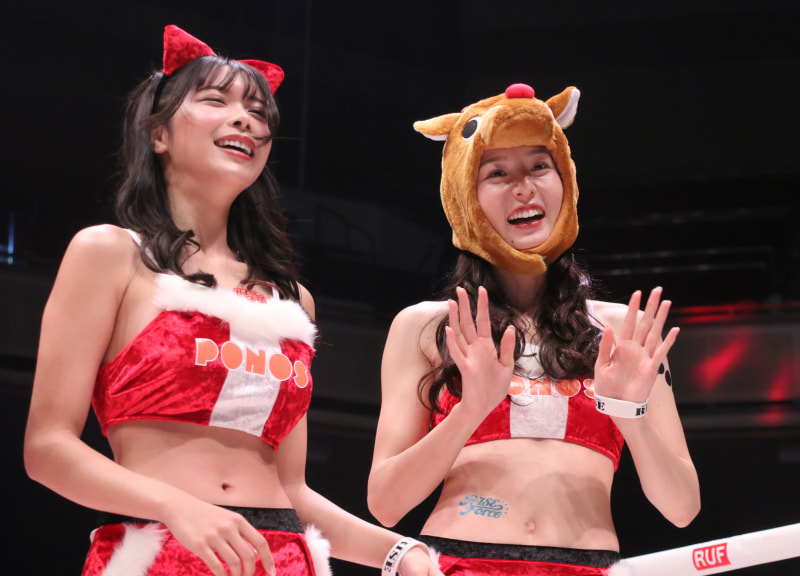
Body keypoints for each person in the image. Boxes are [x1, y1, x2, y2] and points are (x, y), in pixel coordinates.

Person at [23, 24, 442, 576]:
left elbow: (293, 490)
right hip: (158, 554)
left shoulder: (291, 300)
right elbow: (47, 449)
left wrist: (400, 552)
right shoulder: (110, 253)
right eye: (216, 101)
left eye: (257, 111)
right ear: (159, 135)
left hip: (282, 560)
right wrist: (177, 506)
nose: (245, 119)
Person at [367, 83, 701, 575]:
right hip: (460, 563)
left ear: (566, 180)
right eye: (497, 173)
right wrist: (471, 410)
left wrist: (629, 413)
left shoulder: (621, 330)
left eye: (539, 166)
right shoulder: (426, 326)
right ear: (464, 196)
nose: (523, 187)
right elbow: (385, 503)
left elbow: (682, 508)